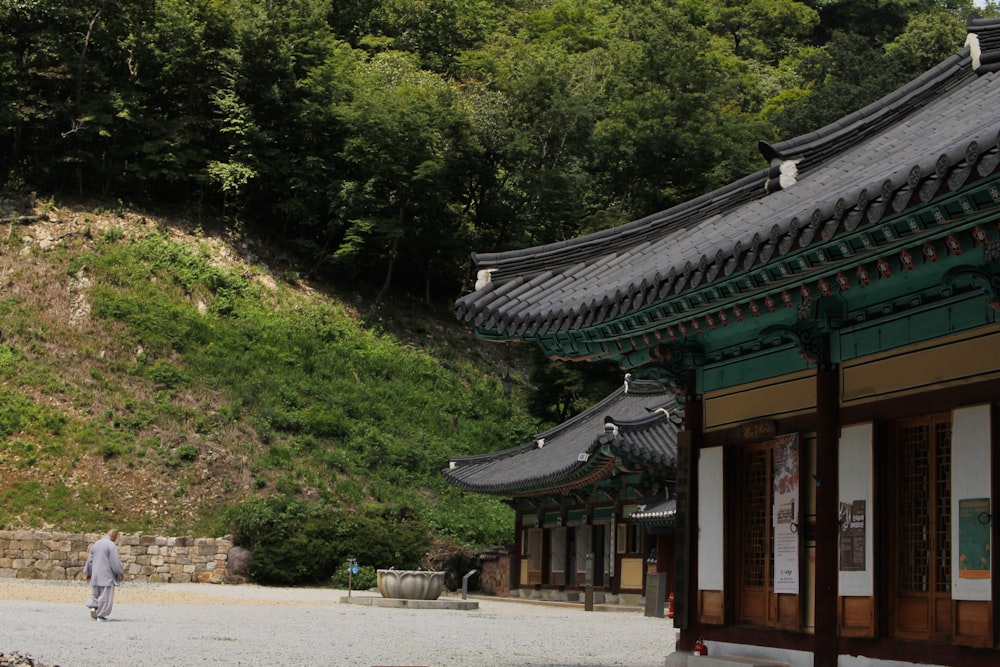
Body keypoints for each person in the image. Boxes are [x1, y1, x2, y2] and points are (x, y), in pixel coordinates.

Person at [84, 529, 124, 620]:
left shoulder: (96, 544)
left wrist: (89, 572)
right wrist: (120, 572)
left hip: (95, 574)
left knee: (95, 594)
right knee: (105, 595)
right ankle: (101, 615)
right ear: (114, 536)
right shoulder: (111, 545)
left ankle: (93, 607)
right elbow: (114, 561)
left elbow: (90, 560)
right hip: (106, 575)